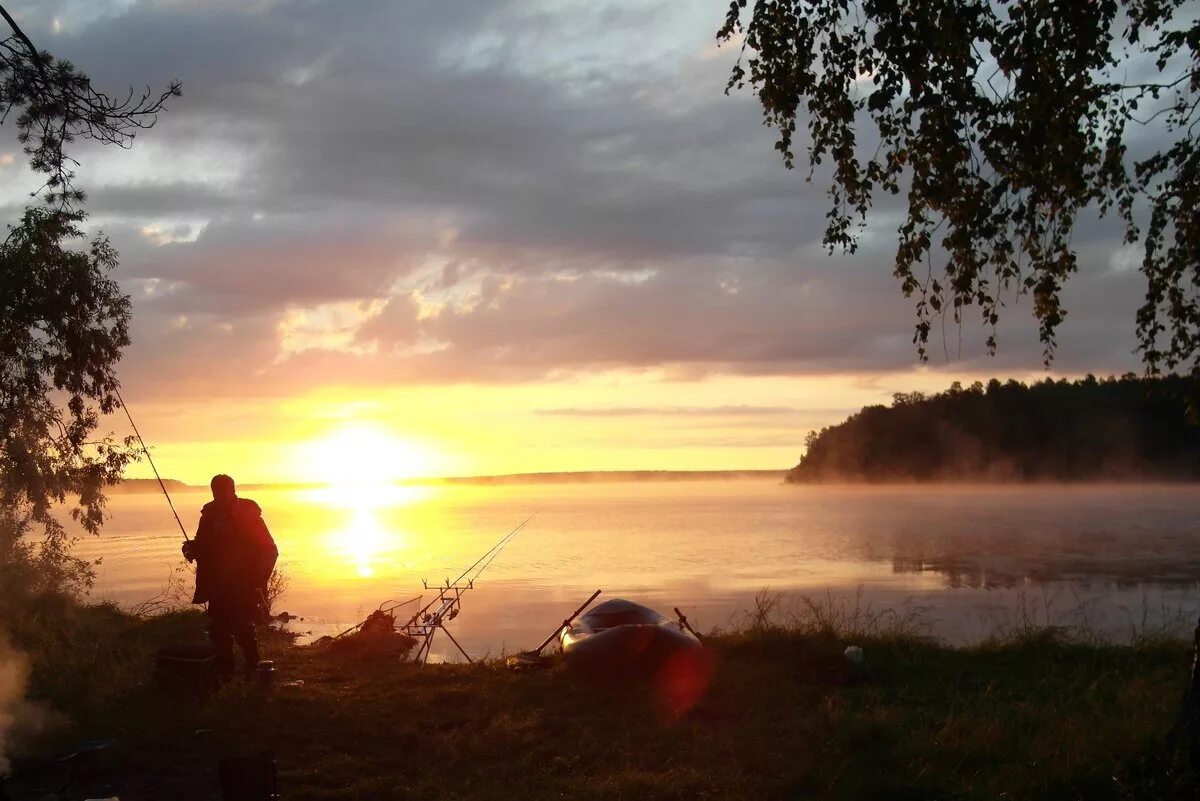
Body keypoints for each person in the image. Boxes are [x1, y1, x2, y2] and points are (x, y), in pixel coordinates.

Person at [182, 474, 278, 682]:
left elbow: (270, 550)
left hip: (243, 583)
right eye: (216, 491)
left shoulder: (249, 515)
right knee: (218, 628)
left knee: (242, 626)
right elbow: (203, 544)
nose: (220, 495)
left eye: (224, 490)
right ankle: (226, 669)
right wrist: (191, 549)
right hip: (217, 583)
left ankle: (253, 668)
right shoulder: (208, 515)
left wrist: (257, 581)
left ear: (233, 490)